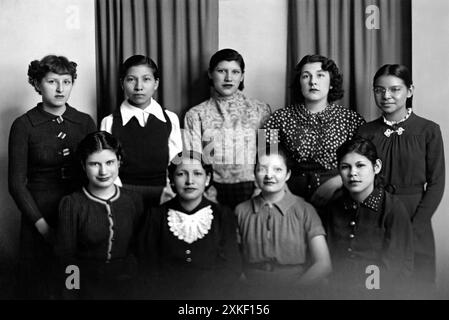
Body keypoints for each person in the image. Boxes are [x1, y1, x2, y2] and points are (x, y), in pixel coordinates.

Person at [8, 55, 96, 299]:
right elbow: (16, 184)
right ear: (37, 84)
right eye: (52, 81)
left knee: (73, 283)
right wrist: (42, 227)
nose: (60, 89)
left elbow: (97, 171)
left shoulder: (84, 122)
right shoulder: (24, 125)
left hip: (78, 212)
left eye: (66, 82)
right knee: (39, 284)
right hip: (38, 213)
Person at [357, 64, 445, 286]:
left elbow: (437, 182)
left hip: (415, 214)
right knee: (376, 282)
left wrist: (418, 224)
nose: (386, 96)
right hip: (376, 211)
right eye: (379, 90)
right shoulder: (365, 132)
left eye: (395, 89)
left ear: (410, 90)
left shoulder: (428, 130)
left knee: (416, 283)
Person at [263, 54, 365, 208]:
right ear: (299, 83)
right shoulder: (277, 118)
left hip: (338, 193)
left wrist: (336, 182)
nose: (313, 81)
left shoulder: (352, 119)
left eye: (320, 75)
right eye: (306, 76)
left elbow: (364, 163)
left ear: (331, 83)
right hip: (290, 195)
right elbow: (263, 156)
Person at [138, 151, 241, 299]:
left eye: (198, 173)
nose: (190, 181)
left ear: (208, 179)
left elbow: (232, 267)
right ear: (172, 180)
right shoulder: (155, 216)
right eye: (181, 174)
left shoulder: (223, 216)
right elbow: (147, 269)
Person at [56, 131, 144, 299]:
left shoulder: (133, 200)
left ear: (119, 161)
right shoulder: (71, 204)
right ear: (83, 165)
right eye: (94, 164)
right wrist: (71, 294)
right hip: (88, 290)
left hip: (129, 289)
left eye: (110, 162)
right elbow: (66, 259)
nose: (103, 171)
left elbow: (139, 251)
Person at [235, 147, 332, 299]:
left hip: (296, 288)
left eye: (277, 169)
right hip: (251, 290)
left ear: (288, 175)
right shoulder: (241, 211)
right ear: (254, 174)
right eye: (262, 169)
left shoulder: (305, 210)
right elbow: (231, 263)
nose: (269, 175)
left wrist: (292, 292)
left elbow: (323, 264)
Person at [324, 137, 414, 298]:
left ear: (376, 166)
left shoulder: (392, 209)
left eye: (360, 165)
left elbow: (394, 267)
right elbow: (330, 261)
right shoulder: (333, 207)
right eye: (345, 167)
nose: (352, 173)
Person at [183, 48, 271, 209]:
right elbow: (193, 159)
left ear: (242, 76)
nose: (228, 78)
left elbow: (269, 152)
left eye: (235, 72)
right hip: (212, 190)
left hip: (253, 187)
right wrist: (206, 193)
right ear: (210, 74)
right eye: (221, 71)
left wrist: (261, 190)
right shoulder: (195, 114)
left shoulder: (261, 110)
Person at [100, 55, 182, 208]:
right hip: (123, 195)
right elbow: (107, 164)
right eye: (131, 79)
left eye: (146, 79)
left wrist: (170, 193)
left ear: (156, 83)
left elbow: (176, 162)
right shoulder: (110, 121)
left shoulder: (170, 118)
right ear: (122, 83)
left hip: (163, 194)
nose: (139, 86)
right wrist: (119, 196)